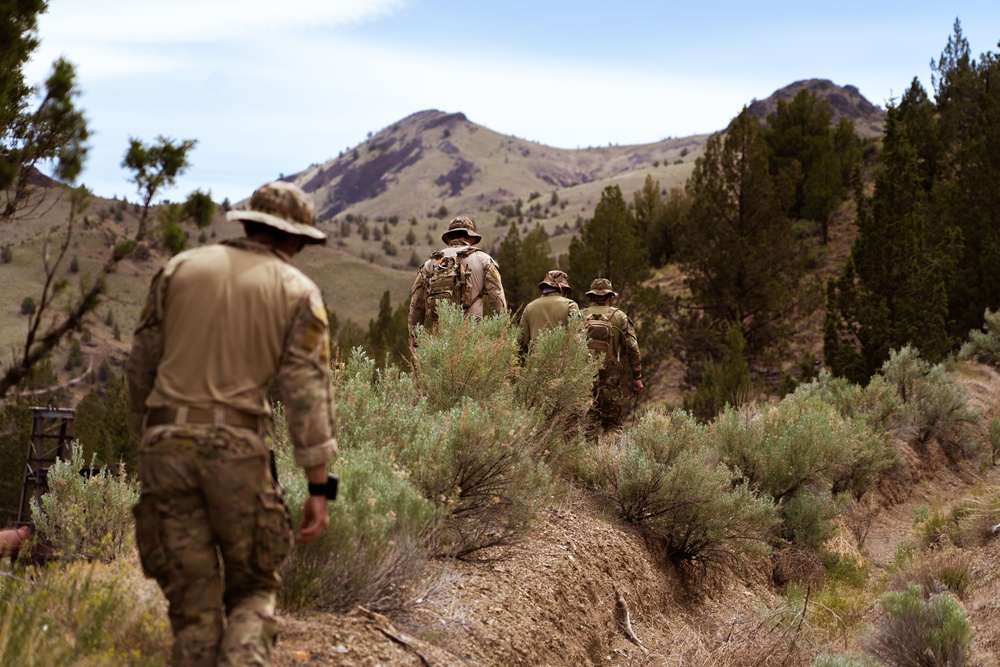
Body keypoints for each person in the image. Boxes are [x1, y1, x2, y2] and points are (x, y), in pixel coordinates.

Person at [126, 180, 338, 667]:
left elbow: (140, 367)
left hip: (163, 447)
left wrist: (151, 439)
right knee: (254, 588)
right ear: (293, 239)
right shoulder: (297, 290)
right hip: (236, 451)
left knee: (193, 609)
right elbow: (307, 395)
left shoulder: (179, 268)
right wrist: (319, 489)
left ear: (248, 223)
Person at [407, 215, 506, 347]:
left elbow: (417, 302)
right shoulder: (484, 260)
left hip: (441, 335)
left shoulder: (431, 263)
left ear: (448, 238)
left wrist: (414, 334)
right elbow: (497, 299)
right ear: (471, 238)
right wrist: (502, 332)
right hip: (472, 333)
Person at [580, 278, 643, 435]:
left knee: (589, 426)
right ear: (609, 297)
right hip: (611, 382)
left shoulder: (579, 316)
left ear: (591, 297)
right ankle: (609, 458)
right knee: (613, 426)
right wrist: (637, 377)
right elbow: (633, 348)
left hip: (585, 381)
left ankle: (591, 458)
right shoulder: (620, 316)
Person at [518, 270, 579, 351]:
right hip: (562, 360)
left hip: (535, 360)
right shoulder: (570, 305)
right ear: (563, 290)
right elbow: (578, 339)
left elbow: (521, 341)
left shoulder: (529, 307)